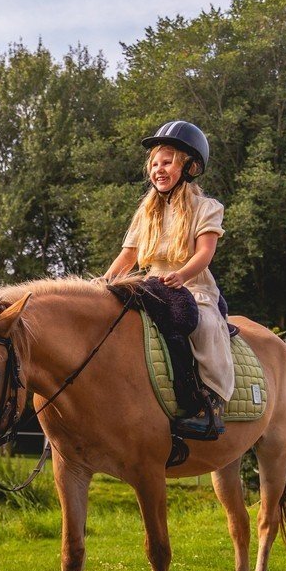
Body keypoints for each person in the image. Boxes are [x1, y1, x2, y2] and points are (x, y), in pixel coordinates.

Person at [102, 120, 232, 439]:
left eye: (168, 162)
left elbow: (204, 253)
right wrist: (103, 284)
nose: (159, 170)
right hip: (153, 287)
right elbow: (127, 258)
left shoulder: (206, 208)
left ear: (189, 167)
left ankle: (212, 405)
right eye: (155, 164)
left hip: (192, 286)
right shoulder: (146, 213)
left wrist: (182, 274)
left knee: (202, 323)